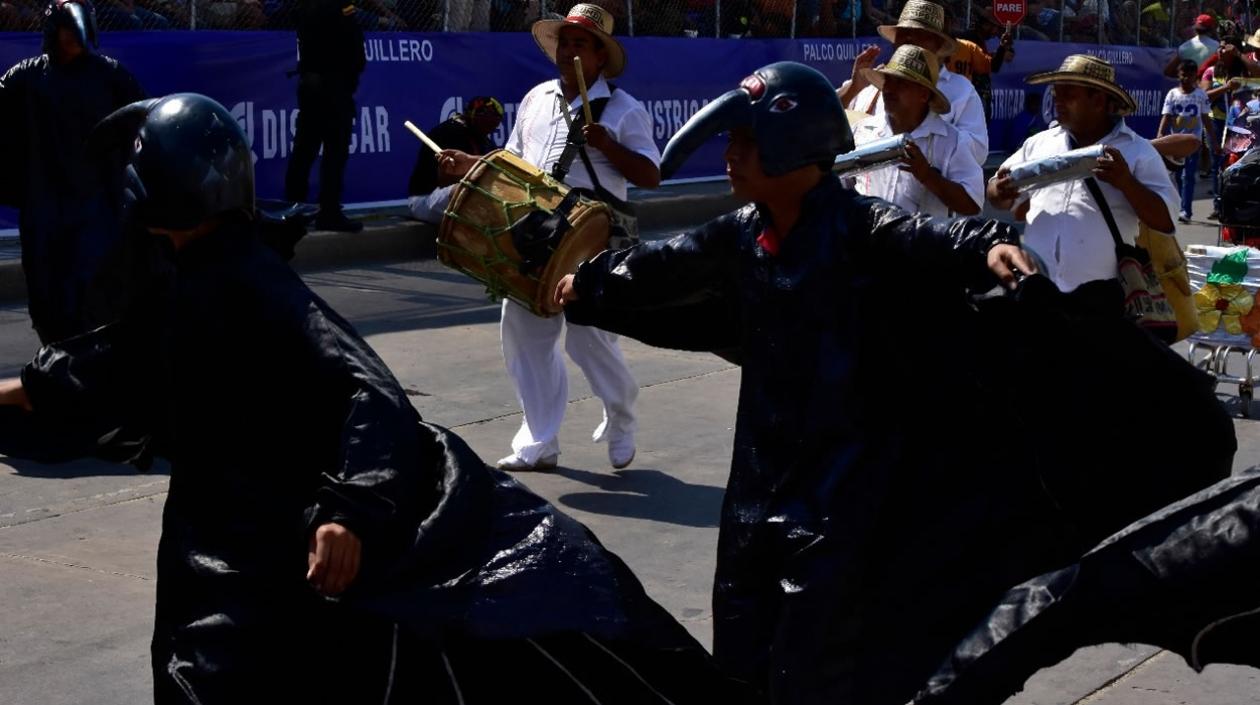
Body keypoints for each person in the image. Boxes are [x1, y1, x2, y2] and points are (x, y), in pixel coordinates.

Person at [0, 92, 753, 705]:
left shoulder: (251, 287)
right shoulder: (188, 280)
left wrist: (350, 510)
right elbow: (98, 368)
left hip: (267, 546)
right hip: (227, 539)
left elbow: (369, 390)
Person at [551, 60, 1097, 705]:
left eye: (744, 144)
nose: (730, 157)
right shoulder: (745, 232)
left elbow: (935, 235)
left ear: (790, 148)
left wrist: (990, 246)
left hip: (843, 487)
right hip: (758, 481)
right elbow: (664, 263)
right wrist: (585, 281)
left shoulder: (860, 225)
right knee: (740, 645)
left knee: (813, 664)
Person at [436, 3, 660, 472]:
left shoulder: (623, 108)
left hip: (592, 235)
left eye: (582, 44)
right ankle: (540, 441)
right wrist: (468, 165)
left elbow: (650, 175)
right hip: (535, 234)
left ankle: (622, 415)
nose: (570, 51)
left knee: (588, 340)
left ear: (600, 56)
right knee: (524, 338)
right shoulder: (537, 97)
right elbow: (512, 163)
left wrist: (608, 145)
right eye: (565, 42)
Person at [0, 0, 146, 344]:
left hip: (94, 202)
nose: (74, 37)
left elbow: (144, 117)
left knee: (92, 290)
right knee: (45, 288)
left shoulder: (109, 73)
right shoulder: (29, 75)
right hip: (45, 203)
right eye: (67, 29)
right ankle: (55, 357)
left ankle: (90, 364)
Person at [989, 54, 1178, 305]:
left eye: (1068, 95)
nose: (1057, 102)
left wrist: (1126, 183)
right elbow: (996, 192)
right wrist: (998, 191)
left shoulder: (1139, 152)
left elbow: (1166, 221)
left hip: (1100, 301)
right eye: (1056, 94)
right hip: (1034, 291)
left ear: (1098, 100)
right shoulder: (1040, 143)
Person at [839, 0, 990, 166]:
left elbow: (977, 154)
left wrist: (929, 134)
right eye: (903, 33)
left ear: (938, 43)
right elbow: (824, 116)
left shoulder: (961, 91)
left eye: (919, 34)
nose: (909, 38)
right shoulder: (870, 81)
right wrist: (854, 88)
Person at [848, 44, 984, 216]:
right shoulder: (862, 131)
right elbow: (841, 186)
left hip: (921, 243)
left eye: (900, 83)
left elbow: (972, 204)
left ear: (924, 95)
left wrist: (927, 175)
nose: (889, 89)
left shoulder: (952, 142)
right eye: (887, 80)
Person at [283, 0, 367, 233]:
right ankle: (323, 211)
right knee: (331, 153)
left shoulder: (312, 8)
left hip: (319, 85)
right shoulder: (333, 7)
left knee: (306, 151)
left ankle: (295, 209)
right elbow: (350, 40)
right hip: (331, 86)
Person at [406, 96, 503, 223]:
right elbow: (445, 181)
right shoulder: (449, 133)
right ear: (470, 115)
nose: (489, 124)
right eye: (484, 116)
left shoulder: (483, 139)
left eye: (494, 120)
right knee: (470, 192)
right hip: (424, 200)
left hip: (451, 196)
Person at [1158, 59, 1217, 222]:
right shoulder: (1172, 94)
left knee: (1188, 176)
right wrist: (1160, 136)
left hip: (1193, 142)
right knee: (1176, 177)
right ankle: (1178, 206)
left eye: (1190, 75)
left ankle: (1186, 211)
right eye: (1183, 75)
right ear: (1179, 75)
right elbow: (1167, 116)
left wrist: (1214, 142)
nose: (1186, 78)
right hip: (1175, 142)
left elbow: (1206, 119)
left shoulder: (1200, 95)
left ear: (1194, 77)